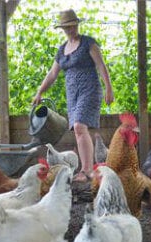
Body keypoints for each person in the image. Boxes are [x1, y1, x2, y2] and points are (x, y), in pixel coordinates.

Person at [33, 9, 114, 182]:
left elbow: (101, 66)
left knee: (79, 126)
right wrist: (40, 92)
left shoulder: (88, 44)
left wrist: (109, 88)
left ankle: (86, 170)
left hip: (90, 90)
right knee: (78, 131)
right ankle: (86, 170)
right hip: (73, 95)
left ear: (77, 25)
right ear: (63, 29)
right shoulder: (62, 50)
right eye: (67, 27)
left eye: (73, 26)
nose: (71, 29)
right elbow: (52, 74)